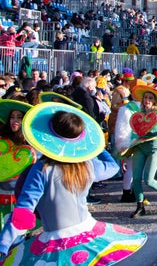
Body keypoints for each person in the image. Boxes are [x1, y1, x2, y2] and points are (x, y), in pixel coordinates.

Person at [0, 102, 146, 263]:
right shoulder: (86, 165)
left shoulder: (41, 169)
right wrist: (93, 148)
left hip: (54, 241)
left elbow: (23, 212)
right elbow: (112, 167)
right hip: (87, 232)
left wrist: (3, 245)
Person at [127, 85, 157, 218]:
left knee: (148, 180)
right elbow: (133, 131)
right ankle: (140, 206)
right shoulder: (138, 114)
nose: (147, 100)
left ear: (154, 101)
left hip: (154, 146)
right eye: (145, 98)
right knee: (136, 178)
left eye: (150, 98)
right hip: (140, 146)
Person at [0, 100, 33, 224]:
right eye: (12, 117)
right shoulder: (3, 141)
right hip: (2, 193)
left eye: (19, 117)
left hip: (21, 195)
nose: (15, 121)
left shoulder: (31, 144)